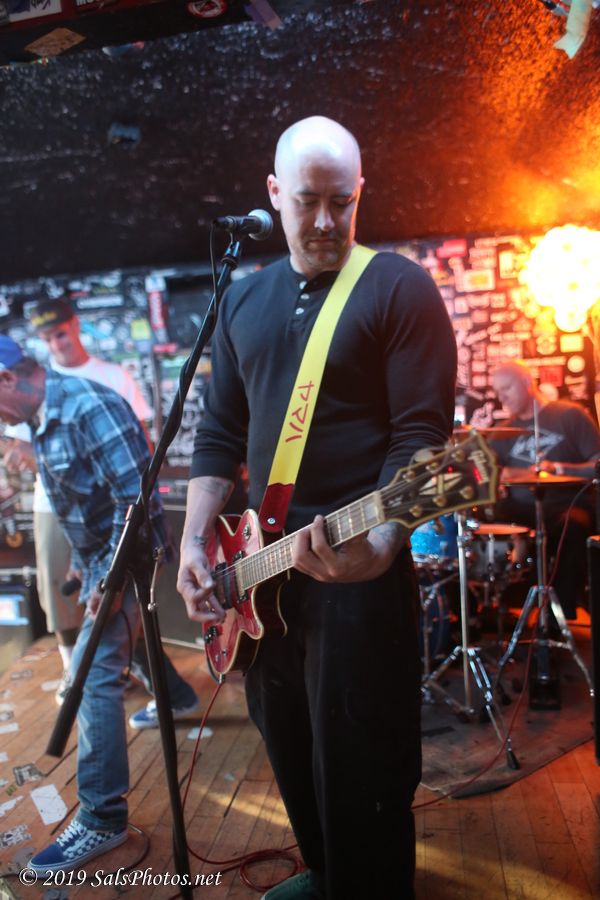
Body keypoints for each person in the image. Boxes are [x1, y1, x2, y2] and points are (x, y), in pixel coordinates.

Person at [176, 116, 457, 899]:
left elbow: (423, 441)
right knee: (290, 747)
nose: (327, 221)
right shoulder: (241, 299)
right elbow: (218, 435)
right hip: (257, 574)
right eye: (308, 201)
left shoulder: (398, 287)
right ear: (274, 194)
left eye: (343, 201)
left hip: (356, 571)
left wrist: (384, 544)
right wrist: (196, 542)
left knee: (364, 763)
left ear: (361, 192)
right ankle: (329, 876)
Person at [0, 333, 173, 871]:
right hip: (102, 555)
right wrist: (83, 559)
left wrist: (110, 580)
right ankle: (180, 697)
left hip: (131, 556)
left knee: (90, 674)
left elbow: (137, 504)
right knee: (111, 659)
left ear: (7, 378)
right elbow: (85, 498)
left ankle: (102, 818)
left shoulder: (86, 406)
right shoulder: (40, 416)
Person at [1, 298, 198, 727]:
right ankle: (160, 692)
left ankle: (83, 679)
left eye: (60, 332)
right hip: (71, 520)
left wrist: (109, 573)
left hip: (115, 528)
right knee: (82, 611)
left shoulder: (102, 382)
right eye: (47, 336)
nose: (56, 342)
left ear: (74, 327)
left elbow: (133, 481)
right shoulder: (36, 401)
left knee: (101, 656)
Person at [490, 359, 600, 619]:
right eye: (497, 391)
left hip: (566, 506)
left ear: (527, 382)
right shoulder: (501, 432)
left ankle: (559, 614)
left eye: (507, 388)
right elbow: (495, 474)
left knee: (571, 526)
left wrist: (559, 469)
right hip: (520, 510)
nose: (502, 397)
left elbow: (597, 465)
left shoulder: (569, 416)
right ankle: (496, 611)